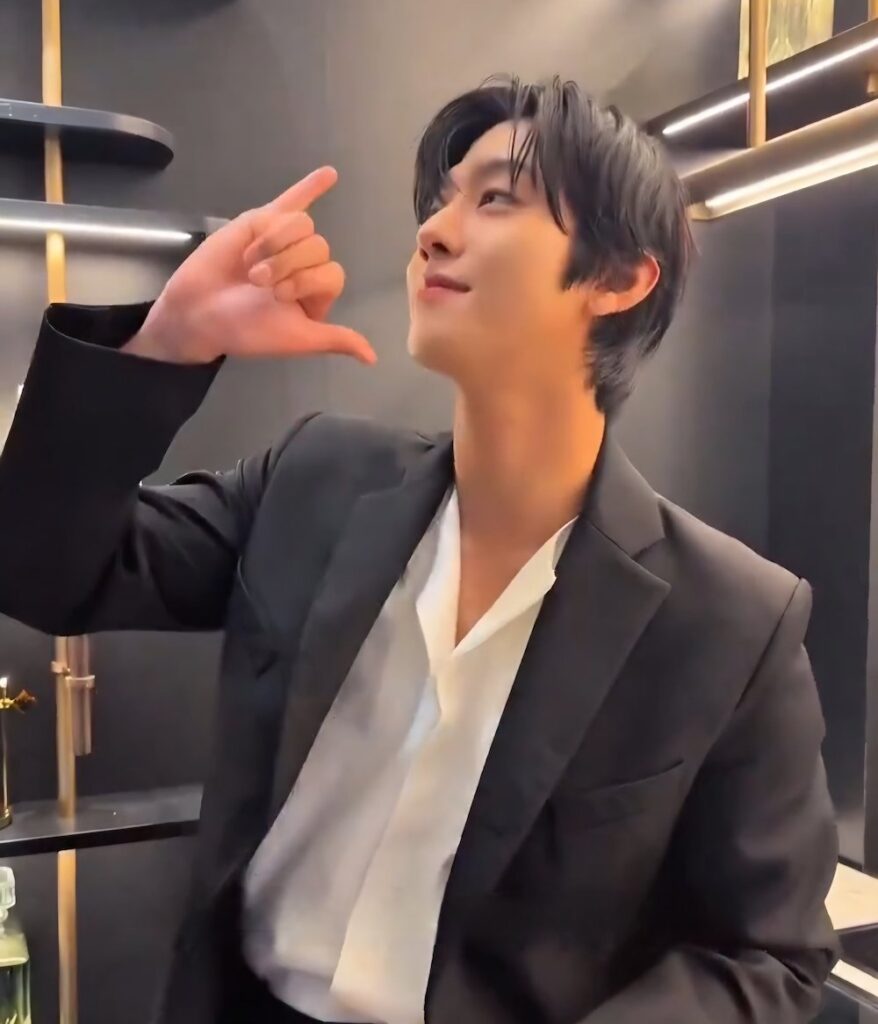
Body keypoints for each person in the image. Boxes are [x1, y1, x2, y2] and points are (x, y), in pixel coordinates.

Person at [0, 76, 838, 1024]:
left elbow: (769, 955)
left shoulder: (730, 621)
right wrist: (168, 342)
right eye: (440, 202)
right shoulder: (317, 480)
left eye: (496, 198)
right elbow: (42, 568)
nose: (434, 231)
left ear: (617, 278)